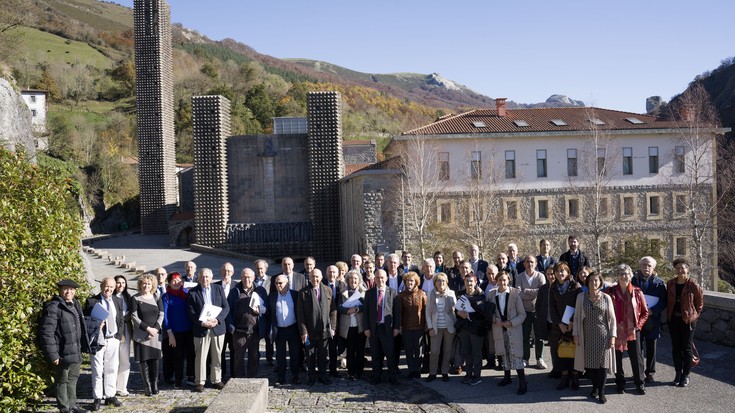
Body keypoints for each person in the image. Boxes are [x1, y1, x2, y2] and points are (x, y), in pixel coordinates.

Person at [39, 279, 91, 413]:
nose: (69, 291)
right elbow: (47, 333)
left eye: (71, 289)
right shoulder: (54, 306)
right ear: (60, 290)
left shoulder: (75, 304)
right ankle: (64, 407)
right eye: (66, 289)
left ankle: (73, 404)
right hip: (61, 352)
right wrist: (53, 355)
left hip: (75, 350)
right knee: (62, 380)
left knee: (73, 379)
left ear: (75, 291)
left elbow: (80, 327)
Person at [573, 272, 616, 404]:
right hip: (587, 335)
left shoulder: (606, 298)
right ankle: (594, 388)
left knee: (603, 364)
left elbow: (613, 318)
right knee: (590, 364)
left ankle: (602, 391)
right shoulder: (581, 297)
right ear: (587, 282)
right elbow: (576, 317)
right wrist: (576, 334)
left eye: (596, 280)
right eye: (591, 280)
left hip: (603, 335)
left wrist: (613, 336)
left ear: (600, 282)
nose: (594, 283)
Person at [607, 264, 649, 395]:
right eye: (621, 273)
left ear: (630, 276)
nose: (623, 276)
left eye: (626, 273)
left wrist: (638, 326)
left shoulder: (637, 292)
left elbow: (645, 312)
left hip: (632, 330)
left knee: (637, 358)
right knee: (617, 358)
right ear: (617, 276)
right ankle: (620, 383)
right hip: (616, 331)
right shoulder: (610, 292)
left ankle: (639, 383)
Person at [186, 268, 230, 392]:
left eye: (207, 277)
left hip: (217, 328)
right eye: (202, 277)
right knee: (200, 356)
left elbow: (225, 307)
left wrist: (218, 320)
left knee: (217, 355)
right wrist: (202, 322)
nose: (205, 279)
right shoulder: (193, 292)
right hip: (201, 329)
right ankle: (200, 381)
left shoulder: (218, 289)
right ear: (198, 278)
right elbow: (191, 312)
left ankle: (216, 380)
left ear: (211, 278)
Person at [84, 277, 124, 410]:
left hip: (113, 339)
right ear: (101, 286)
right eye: (107, 286)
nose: (109, 289)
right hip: (99, 339)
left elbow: (121, 319)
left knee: (112, 368)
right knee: (97, 369)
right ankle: (97, 397)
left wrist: (118, 336)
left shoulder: (118, 300)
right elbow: (86, 321)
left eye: (112, 287)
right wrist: (96, 325)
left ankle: (110, 396)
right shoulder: (91, 301)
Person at [488, 271, 528, 395]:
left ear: (509, 280)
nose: (502, 282)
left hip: (513, 328)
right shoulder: (491, 294)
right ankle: (507, 377)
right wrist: (494, 319)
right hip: (499, 328)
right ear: (496, 280)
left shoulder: (515, 293)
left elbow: (522, 314)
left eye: (505, 280)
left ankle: (522, 381)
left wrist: (511, 323)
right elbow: (488, 312)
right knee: (504, 353)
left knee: (516, 355)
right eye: (500, 280)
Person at [666, 257, 703, 388]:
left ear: (688, 269)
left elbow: (699, 303)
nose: (680, 270)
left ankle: (686, 375)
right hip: (673, 320)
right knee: (676, 348)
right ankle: (677, 373)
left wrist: (694, 316)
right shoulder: (670, 284)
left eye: (683, 267)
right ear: (675, 270)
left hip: (688, 321)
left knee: (687, 349)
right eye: (678, 268)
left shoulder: (693, 285)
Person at [296, 268, 337, 385]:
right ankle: (311, 377)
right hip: (310, 331)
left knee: (323, 355)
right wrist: (304, 332)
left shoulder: (328, 291)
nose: (315, 279)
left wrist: (333, 327)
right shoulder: (303, 293)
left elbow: (333, 311)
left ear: (321, 277)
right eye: (312, 277)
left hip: (324, 329)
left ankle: (323, 375)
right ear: (309, 277)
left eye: (317, 277)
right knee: (310, 356)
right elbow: (300, 315)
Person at [632, 256, 668, 383]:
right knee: (638, 347)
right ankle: (639, 372)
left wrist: (653, 311)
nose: (646, 267)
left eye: (649, 265)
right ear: (640, 266)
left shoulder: (659, 283)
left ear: (654, 267)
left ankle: (650, 372)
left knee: (651, 346)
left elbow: (664, 301)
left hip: (653, 318)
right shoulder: (633, 281)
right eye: (643, 265)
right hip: (637, 319)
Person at [227, 268, 268, 378]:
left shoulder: (260, 290)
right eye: (244, 277)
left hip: (255, 330)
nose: (247, 279)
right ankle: (239, 379)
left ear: (254, 278)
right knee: (238, 357)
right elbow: (228, 310)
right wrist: (232, 328)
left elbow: (267, 308)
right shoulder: (234, 291)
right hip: (239, 330)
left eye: (249, 277)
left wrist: (260, 311)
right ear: (241, 278)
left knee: (254, 357)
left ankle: (252, 377)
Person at [363, 269, 400, 385]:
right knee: (375, 354)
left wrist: (396, 327)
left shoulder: (393, 292)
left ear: (386, 278)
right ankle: (376, 376)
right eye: (378, 277)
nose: (380, 280)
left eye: (382, 277)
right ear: (375, 278)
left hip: (387, 328)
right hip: (374, 329)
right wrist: (366, 328)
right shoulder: (369, 293)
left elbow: (397, 312)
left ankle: (392, 377)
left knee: (390, 354)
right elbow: (366, 312)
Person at [549, 262, 582, 390]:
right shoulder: (553, 287)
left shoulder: (575, 286)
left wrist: (572, 321)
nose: (560, 273)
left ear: (568, 273)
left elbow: (579, 306)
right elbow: (552, 308)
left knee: (574, 351)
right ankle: (564, 378)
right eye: (557, 271)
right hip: (560, 326)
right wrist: (559, 323)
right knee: (562, 351)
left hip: (574, 324)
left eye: (562, 271)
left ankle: (575, 377)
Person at [456, 272, 493, 386]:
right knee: (467, 352)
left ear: (476, 282)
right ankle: (468, 374)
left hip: (477, 328)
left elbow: (483, 314)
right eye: (467, 281)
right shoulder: (460, 294)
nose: (469, 283)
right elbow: (456, 308)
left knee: (476, 353)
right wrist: (458, 312)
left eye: (471, 281)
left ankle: (477, 376)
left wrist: (468, 315)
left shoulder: (481, 296)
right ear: (464, 282)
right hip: (464, 328)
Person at [130, 274, 164, 396]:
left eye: (149, 283)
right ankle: (147, 385)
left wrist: (155, 329)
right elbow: (134, 316)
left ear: (152, 285)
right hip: (141, 336)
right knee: (143, 361)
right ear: (140, 284)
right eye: (144, 283)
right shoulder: (135, 298)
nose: (146, 285)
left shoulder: (157, 296)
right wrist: (148, 329)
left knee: (155, 360)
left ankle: (155, 384)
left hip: (155, 335)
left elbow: (161, 314)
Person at [161, 272, 194, 388]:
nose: (176, 283)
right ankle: (178, 379)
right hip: (175, 332)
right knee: (178, 356)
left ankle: (191, 376)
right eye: (174, 281)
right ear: (169, 283)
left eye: (179, 280)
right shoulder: (166, 296)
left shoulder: (186, 293)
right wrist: (170, 333)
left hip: (189, 329)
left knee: (191, 354)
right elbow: (165, 316)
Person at [268, 274, 301, 385]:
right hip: (279, 330)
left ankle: (295, 376)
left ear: (287, 283)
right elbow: (269, 313)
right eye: (276, 283)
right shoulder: (272, 296)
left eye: (280, 283)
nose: (278, 285)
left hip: (293, 328)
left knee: (295, 354)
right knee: (280, 355)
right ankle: (281, 377)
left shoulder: (295, 295)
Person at [425, 273, 457, 382]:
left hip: (449, 327)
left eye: (443, 280)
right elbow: (428, 313)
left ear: (446, 282)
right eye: (439, 280)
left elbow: (455, 311)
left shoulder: (451, 294)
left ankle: (444, 371)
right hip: (435, 327)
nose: (441, 283)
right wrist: (430, 328)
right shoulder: (431, 294)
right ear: (435, 283)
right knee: (434, 351)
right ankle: (432, 372)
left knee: (447, 351)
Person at [517, 255, 547, 369]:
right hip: (524, 311)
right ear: (524, 263)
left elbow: (542, 291)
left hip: (538, 311)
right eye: (527, 262)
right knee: (525, 336)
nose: (530, 264)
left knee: (539, 337)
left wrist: (527, 291)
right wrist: (533, 294)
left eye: (532, 262)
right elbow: (518, 293)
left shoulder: (540, 276)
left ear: (536, 264)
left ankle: (539, 358)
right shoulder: (519, 277)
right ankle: (525, 358)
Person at [397, 271, 428, 379]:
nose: (409, 283)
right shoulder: (401, 296)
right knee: (409, 351)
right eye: (407, 281)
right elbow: (399, 312)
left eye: (412, 281)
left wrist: (426, 325)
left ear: (416, 282)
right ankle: (411, 370)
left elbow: (425, 311)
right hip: (406, 327)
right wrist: (400, 326)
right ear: (405, 282)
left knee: (418, 350)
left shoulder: (422, 294)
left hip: (419, 326)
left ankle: (417, 370)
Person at [338, 270, 367, 380]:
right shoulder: (342, 292)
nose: (353, 281)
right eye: (351, 278)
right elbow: (339, 307)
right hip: (348, 326)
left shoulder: (364, 292)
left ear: (359, 280)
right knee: (350, 350)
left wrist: (358, 308)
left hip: (360, 325)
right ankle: (351, 373)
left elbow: (367, 306)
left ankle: (359, 372)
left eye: (355, 278)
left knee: (360, 350)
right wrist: (347, 311)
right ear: (347, 280)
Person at [324, 265, 346, 377]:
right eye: (330, 272)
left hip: (340, 321)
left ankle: (336, 367)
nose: (332, 274)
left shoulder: (343, 286)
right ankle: (329, 369)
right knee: (329, 347)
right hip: (324, 320)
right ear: (326, 273)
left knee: (339, 345)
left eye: (334, 272)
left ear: (337, 274)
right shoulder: (322, 284)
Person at [535, 267, 557, 378]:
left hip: (559, 323)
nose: (550, 276)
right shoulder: (543, 289)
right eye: (548, 274)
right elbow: (538, 305)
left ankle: (563, 370)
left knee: (562, 347)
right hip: (548, 321)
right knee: (553, 347)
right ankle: (555, 368)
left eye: (552, 274)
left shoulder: (560, 287)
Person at [113, 275, 133, 397]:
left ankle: (122, 387)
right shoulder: (111, 296)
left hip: (126, 329)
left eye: (123, 283)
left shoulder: (128, 297)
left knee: (125, 359)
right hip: (114, 330)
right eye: (118, 283)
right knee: (113, 360)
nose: (121, 285)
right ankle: (112, 387)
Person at [215, 262, 235, 378]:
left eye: (228, 271)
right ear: (221, 271)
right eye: (224, 270)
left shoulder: (237, 286)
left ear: (232, 273)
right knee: (219, 352)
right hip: (219, 324)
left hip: (232, 325)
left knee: (234, 351)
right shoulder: (215, 286)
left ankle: (233, 374)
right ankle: (220, 375)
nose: (226, 273)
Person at [253, 259, 273, 366]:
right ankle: (256, 357)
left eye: (261, 268)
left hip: (268, 313)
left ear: (265, 269)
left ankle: (269, 358)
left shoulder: (271, 280)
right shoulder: (252, 280)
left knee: (268, 337)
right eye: (257, 268)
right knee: (255, 336)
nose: (259, 270)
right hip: (256, 314)